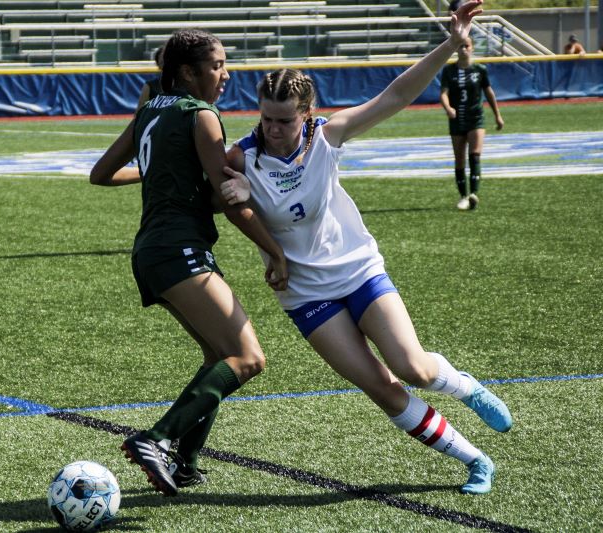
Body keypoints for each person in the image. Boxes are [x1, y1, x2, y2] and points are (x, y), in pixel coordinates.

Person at [220, 0, 511, 495]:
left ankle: (464, 385)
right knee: (380, 386)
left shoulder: (328, 137)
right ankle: (475, 460)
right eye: (266, 118)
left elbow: (394, 96)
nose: (272, 129)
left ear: (306, 115)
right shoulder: (240, 158)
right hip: (305, 294)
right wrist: (237, 199)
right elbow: (213, 200)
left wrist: (451, 42)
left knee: (412, 368)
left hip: (358, 271)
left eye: (284, 121)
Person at [90, 29, 288, 497]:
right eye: (217, 65)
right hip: (180, 251)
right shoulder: (201, 116)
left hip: (151, 252)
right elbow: (228, 199)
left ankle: (185, 464)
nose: (225, 72)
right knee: (248, 357)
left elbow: (100, 174)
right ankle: (155, 440)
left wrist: (158, 169)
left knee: (219, 356)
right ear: (187, 72)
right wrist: (275, 250)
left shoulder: (150, 110)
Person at [439, 36, 503, 210]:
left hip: (476, 117)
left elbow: (489, 92)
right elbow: (443, 93)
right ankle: (463, 196)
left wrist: (497, 115)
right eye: (460, 46)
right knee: (459, 159)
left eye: (466, 46)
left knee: (474, 154)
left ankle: (474, 193)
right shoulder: (449, 71)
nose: (463, 49)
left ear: (472, 48)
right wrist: (448, 108)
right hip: (457, 119)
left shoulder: (480, 70)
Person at [135, 45, 164, 111]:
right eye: (162, 62)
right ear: (158, 65)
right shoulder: (151, 86)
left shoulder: (183, 85)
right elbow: (139, 113)